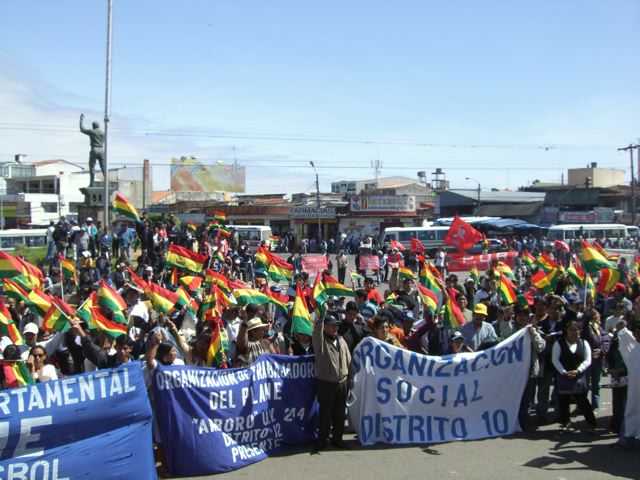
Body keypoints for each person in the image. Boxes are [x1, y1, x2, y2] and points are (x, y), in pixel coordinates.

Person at [311, 312, 352, 453]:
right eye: (332, 326)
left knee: (340, 414)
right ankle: (322, 440)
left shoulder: (341, 340)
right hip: (326, 383)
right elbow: (316, 332)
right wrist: (321, 317)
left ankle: (338, 439)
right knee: (325, 414)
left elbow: (349, 361)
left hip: (342, 382)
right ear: (325, 327)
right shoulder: (320, 342)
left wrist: (350, 378)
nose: (335, 328)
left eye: (336, 325)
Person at [552, 320, 597, 434]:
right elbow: (555, 359)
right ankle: (566, 423)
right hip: (563, 376)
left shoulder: (583, 343)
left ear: (579, 331)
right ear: (567, 330)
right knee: (563, 401)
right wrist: (563, 372)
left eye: (576, 330)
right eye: (571, 330)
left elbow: (588, 360)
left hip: (579, 377)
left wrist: (578, 371)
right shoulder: (559, 343)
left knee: (583, 401)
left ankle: (591, 423)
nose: (573, 332)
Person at [79, 113, 105, 187]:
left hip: (94, 149)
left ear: (93, 126)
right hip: (102, 150)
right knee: (103, 167)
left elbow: (82, 129)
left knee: (92, 166)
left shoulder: (92, 131)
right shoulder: (103, 133)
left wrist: (81, 120)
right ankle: (107, 183)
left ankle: (92, 183)